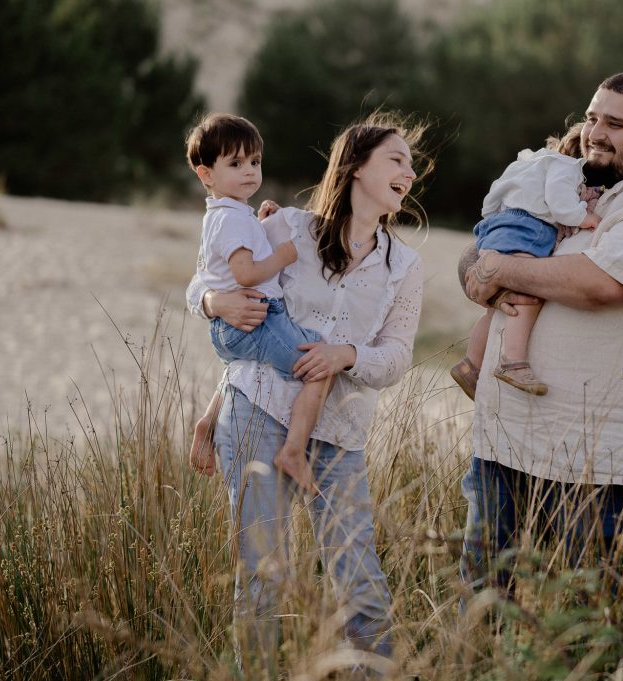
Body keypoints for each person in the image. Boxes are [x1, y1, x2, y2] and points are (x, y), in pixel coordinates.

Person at [458, 72, 623, 618]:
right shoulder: (569, 179)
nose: (597, 132)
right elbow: (492, 244)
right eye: (593, 117)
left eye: (616, 124)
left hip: (598, 454)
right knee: (484, 603)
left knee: (599, 613)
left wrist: (501, 269)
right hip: (506, 436)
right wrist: (478, 269)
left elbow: (602, 284)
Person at [185, 112, 426, 667]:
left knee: (360, 580)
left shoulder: (403, 266)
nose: (409, 173)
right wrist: (211, 303)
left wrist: (346, 355)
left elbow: (397, 358)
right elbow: (211, 274)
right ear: (356, 166)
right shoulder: (288, 227)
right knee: (264, 579)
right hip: (257, 413)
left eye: (412, 165)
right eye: (396, 159)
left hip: (339, 434)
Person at [186, 112, 328, 492]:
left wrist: (261, 224)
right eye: (235, 163)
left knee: (245, 369)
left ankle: (208, 422)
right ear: (206, 175)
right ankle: (294, 451)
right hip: (256, 319)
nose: (249, 171)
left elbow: (234, 260)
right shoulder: (231, 219)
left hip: (234, 324)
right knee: (321, 362)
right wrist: (282, 255)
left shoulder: (227, 214)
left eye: (255, 162)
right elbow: (247, 273)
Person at [450, 126, 602, 399]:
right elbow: (560, 203)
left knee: (499, 308)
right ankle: (513, 363)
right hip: (527, 228)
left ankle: (471, 364)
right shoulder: (567, 167)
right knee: (525, 293)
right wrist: (584, 217)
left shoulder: (529, 164)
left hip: (500, 224)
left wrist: (495, 223)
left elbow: (492, 197)